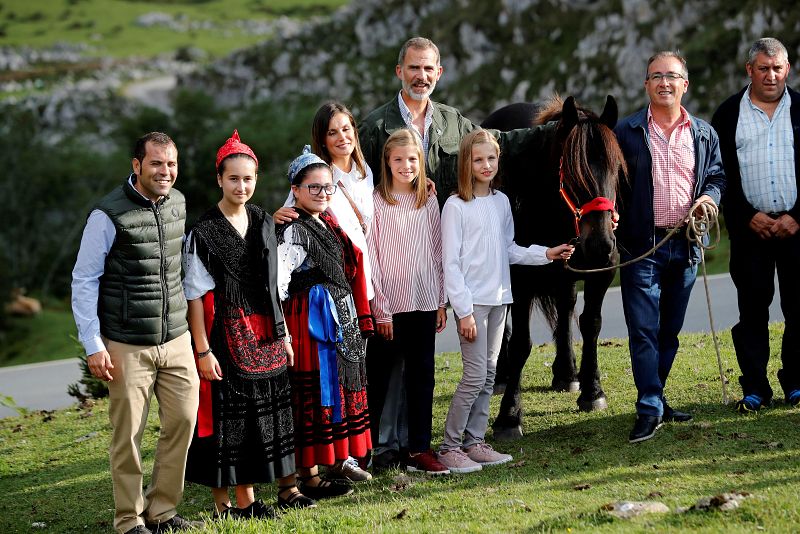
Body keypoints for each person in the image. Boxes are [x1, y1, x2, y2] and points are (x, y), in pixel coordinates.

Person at [71, 132, 200, 534]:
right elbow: (84, 280)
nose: (166, 172)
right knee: (128, 436)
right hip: (126, 344)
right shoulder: (106, 215)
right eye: (157, 163)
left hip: (176, 338)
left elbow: (182, 270)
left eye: (171, 164)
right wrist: (93, 344)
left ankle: (162, 511)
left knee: (184, 420)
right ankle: (129, 520)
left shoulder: (178, 202)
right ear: (137, 166)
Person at [182, 131, 305, 517]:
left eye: (248, 178)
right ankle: (228, 505)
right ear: (219, 179)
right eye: (233, 178)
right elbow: (194, 299)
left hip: (266, 332)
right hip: (224, 335)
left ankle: (249, 500)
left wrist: (283, 333)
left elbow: (273, 288)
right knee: (227, 420)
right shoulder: (202, 232)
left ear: (257, 179)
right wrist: (202, 350)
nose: (241, 186)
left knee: (259, 417)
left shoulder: (264, 222)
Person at [437, 129, 574, 473]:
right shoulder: (455, 206)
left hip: (500, 300)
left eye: (491, 158)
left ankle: (475, 441)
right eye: (478, 159)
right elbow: (450, 263)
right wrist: (463, 312)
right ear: (466, 163)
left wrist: (547, 253)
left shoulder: (501, 202)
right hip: (473, 306)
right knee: (473, 376)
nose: (486, 165)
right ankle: (449, 446)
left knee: (488, 376)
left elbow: (510, 249)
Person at [614, 52, 726, 444]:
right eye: (656, 76)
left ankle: (657, 396)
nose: (664, 82)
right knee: (643, 329)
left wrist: (709, 198)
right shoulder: (624, 132)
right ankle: (648, 406)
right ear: (646, 84)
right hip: (641, 247)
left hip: (687, 244)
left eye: (672, 76)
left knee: (670, 330)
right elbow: (608, 183)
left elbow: (715, 175)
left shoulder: (703, 133)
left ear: (685, 84)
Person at [272, 102, 376, 481]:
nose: (320, 192)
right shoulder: (293, 226)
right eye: (312, 187)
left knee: (340, 387)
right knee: (317, 390)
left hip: (339, 311)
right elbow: (279, 282)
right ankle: (310, 472)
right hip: (310, 319)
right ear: (295, 190)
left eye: (325, 187)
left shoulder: (329, 218)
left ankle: (337, 460)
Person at [711, 37, 800, 412]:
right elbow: (721, 175)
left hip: (798, 230)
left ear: (787, 70)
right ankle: (755, 388)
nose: (770, 75)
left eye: (777, 68)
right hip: (751, 231)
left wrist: (799, 217)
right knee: (752, 310)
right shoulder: (729, 113)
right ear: (749, 70)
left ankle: (796, 383)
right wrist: (748, 216)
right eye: (763, 68)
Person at [366, 128, 449, 475]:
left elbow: (437, 250)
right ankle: (369, 449)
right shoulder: (377, 200)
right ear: (387, 161)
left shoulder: (428, 200)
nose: (406, 165)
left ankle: (418, 448)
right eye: (398, 159)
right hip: (390, 306)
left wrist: (441, 300)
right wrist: (380, 307)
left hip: (426, 301)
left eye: (412, 159)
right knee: (380, 378)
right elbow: (372, 256)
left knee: (422, 376)